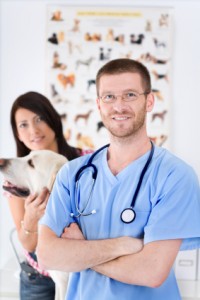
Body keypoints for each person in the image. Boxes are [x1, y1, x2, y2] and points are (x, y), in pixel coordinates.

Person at [37, 59, 200, 300]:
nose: (119, 106)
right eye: (109, 97)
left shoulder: (175, 177)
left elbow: (151, 271)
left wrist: (81, 252)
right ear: (99, 105)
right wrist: (123, 245)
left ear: (150, 101)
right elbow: (48, 256)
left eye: (130, 95)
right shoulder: (73, 175)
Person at [4, 91, 82, 300]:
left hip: (80, 273)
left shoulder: (85, 161)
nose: (33, 130)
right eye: (23, 125)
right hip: (38, 278)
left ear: (53, 120)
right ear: (18, 134)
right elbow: (28, 245)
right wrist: (31, 217)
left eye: (39, 119)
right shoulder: (18, 180)